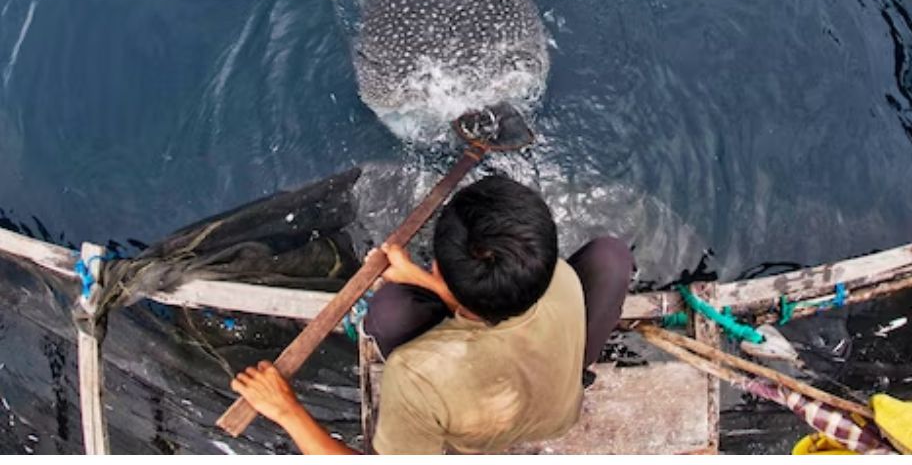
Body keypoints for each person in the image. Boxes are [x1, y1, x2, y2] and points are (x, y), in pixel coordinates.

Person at [231, 175, 634, 454]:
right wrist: (423, 279)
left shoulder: (419, 374)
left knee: (389, 312)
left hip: (483, 432)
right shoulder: (560, 278)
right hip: (557, 406)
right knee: (610, 257)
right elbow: (498, 311)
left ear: (441, 266)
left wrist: (287, 409)